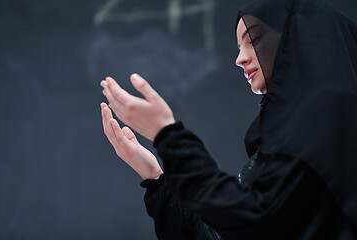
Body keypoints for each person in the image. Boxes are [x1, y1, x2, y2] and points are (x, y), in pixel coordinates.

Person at [100, 0, 357, 239]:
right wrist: (156, 177)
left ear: (299, 39)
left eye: (254, 39)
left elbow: (253, 218)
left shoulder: (326, 112)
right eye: (238, 47)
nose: (240, 58)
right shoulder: (285, 130)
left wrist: (168, 135)